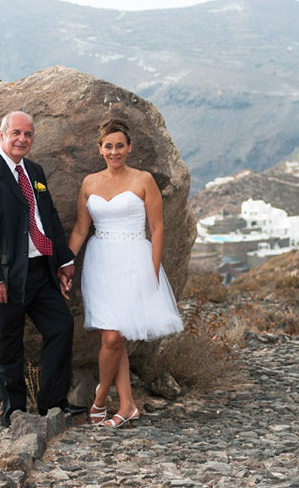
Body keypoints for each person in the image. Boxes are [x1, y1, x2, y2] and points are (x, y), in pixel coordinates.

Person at [0, 111, 86, 427]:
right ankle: (13, 411)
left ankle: (53, 404)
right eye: (16, 133)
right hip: (7, 276)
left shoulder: (35, 171)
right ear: (2, 135)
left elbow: (49, 217)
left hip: (41, 271)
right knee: (8, 342)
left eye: (28, 135)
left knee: (61, 327)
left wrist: (63, 261)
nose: (22, 139)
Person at [63, 119, 183, 429]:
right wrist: (65, 262)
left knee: (116, 336)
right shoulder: (89, 182)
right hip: (100, 261)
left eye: (119, 145)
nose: (114, 151)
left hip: (134, 260)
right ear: (99, 149)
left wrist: (153, 271)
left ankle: (101, 397)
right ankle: (127, 405)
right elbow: (79, 229)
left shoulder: (144, 180)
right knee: (111, 335)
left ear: (129, 148)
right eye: (108, 146)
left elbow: (157, 229)